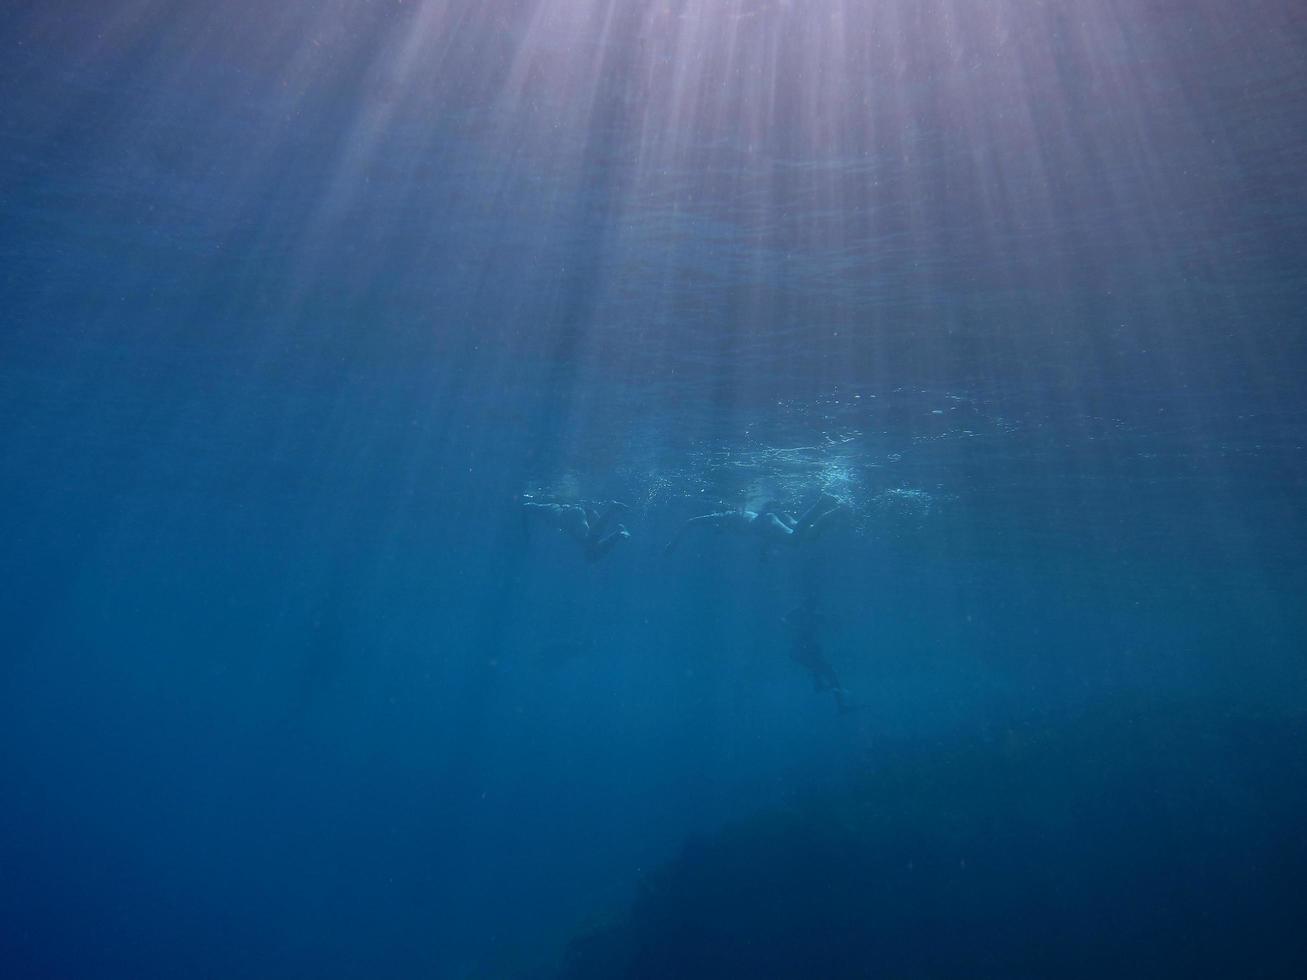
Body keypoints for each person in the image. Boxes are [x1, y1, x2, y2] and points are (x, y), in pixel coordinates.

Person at [663, 494, 845, 556]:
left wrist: (673, 543)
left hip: (764, 523)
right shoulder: (732, 517)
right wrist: (764, 552)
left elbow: (691, 522)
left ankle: (823, 503)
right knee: (808, 536)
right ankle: (836, 511)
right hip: (765, 523)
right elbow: (762, 532)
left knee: (794, 540)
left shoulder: (721, 517)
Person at [782, 595, 856, 714]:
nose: (811, 610)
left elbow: (829, 623)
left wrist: (836, 623)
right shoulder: (799, 613)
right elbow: (784, 619)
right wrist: (793, 626)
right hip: (800, 653)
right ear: (806, 605)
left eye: (813, 608)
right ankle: (827, 692)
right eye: (810, 607)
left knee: (823, 665)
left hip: (805, 652)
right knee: (825, 668)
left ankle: (823, 688)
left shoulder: (814, 615)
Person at [522, 498, 631, 562]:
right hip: (583, 514)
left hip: (574, 515)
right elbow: (534, 507)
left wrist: (521, 507)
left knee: (588, 541)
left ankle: (612, 510)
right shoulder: (552, 508)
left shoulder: (550, 508)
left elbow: (534, 506)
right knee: (592, 554)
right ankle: (619, 533)